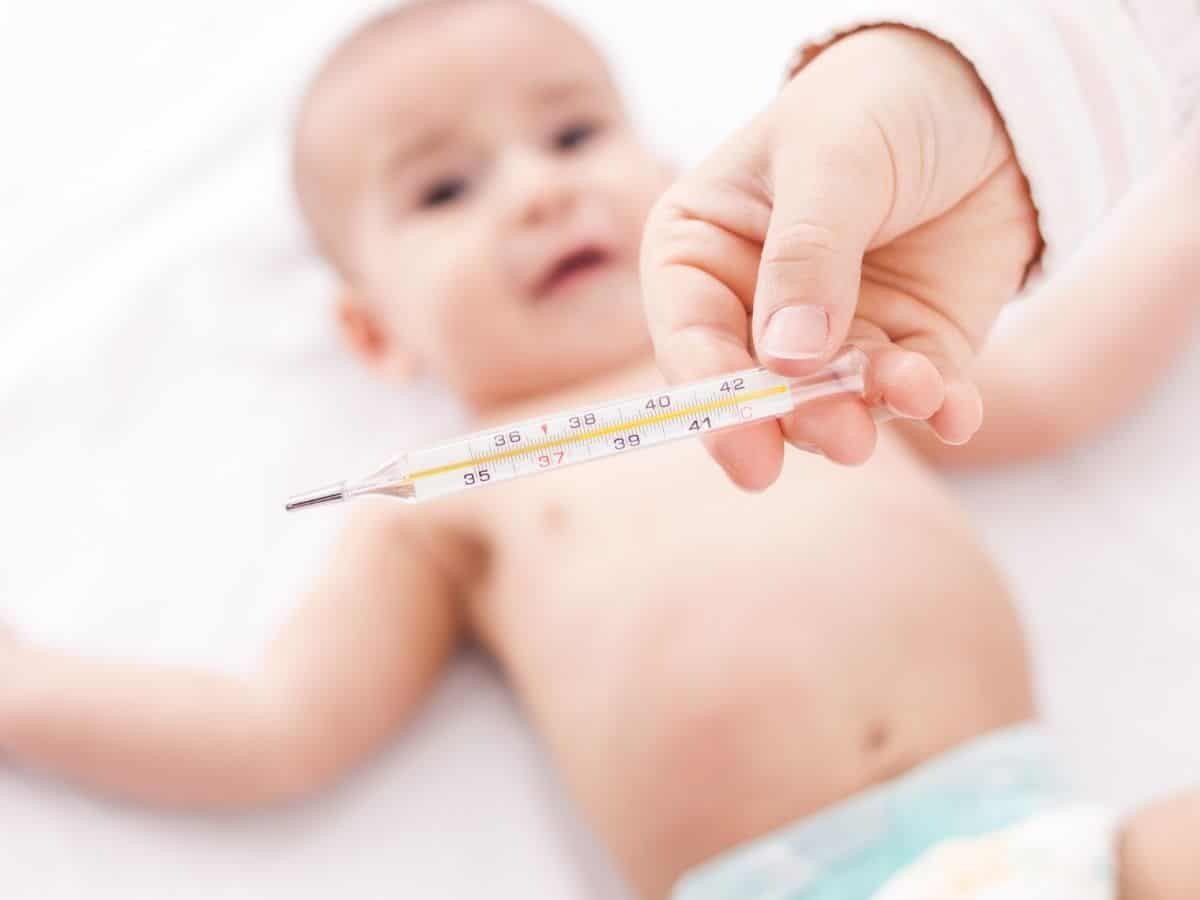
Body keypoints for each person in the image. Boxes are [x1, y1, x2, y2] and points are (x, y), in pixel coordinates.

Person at [1, 2, 1197, 898]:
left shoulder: (806, 355)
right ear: (372, 331)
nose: (534, 192)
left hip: (1060, 847)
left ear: (684, 180)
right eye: (443, 192)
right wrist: (27, 689)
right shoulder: (442, 509)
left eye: (573, 133)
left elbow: (1057, 376)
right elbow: (277, 727)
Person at [640, 0, 1199, 486]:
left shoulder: (844, 375)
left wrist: (1184, 214)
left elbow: (1050, 392)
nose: (550, 197)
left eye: (575, 136)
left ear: (670, 167)